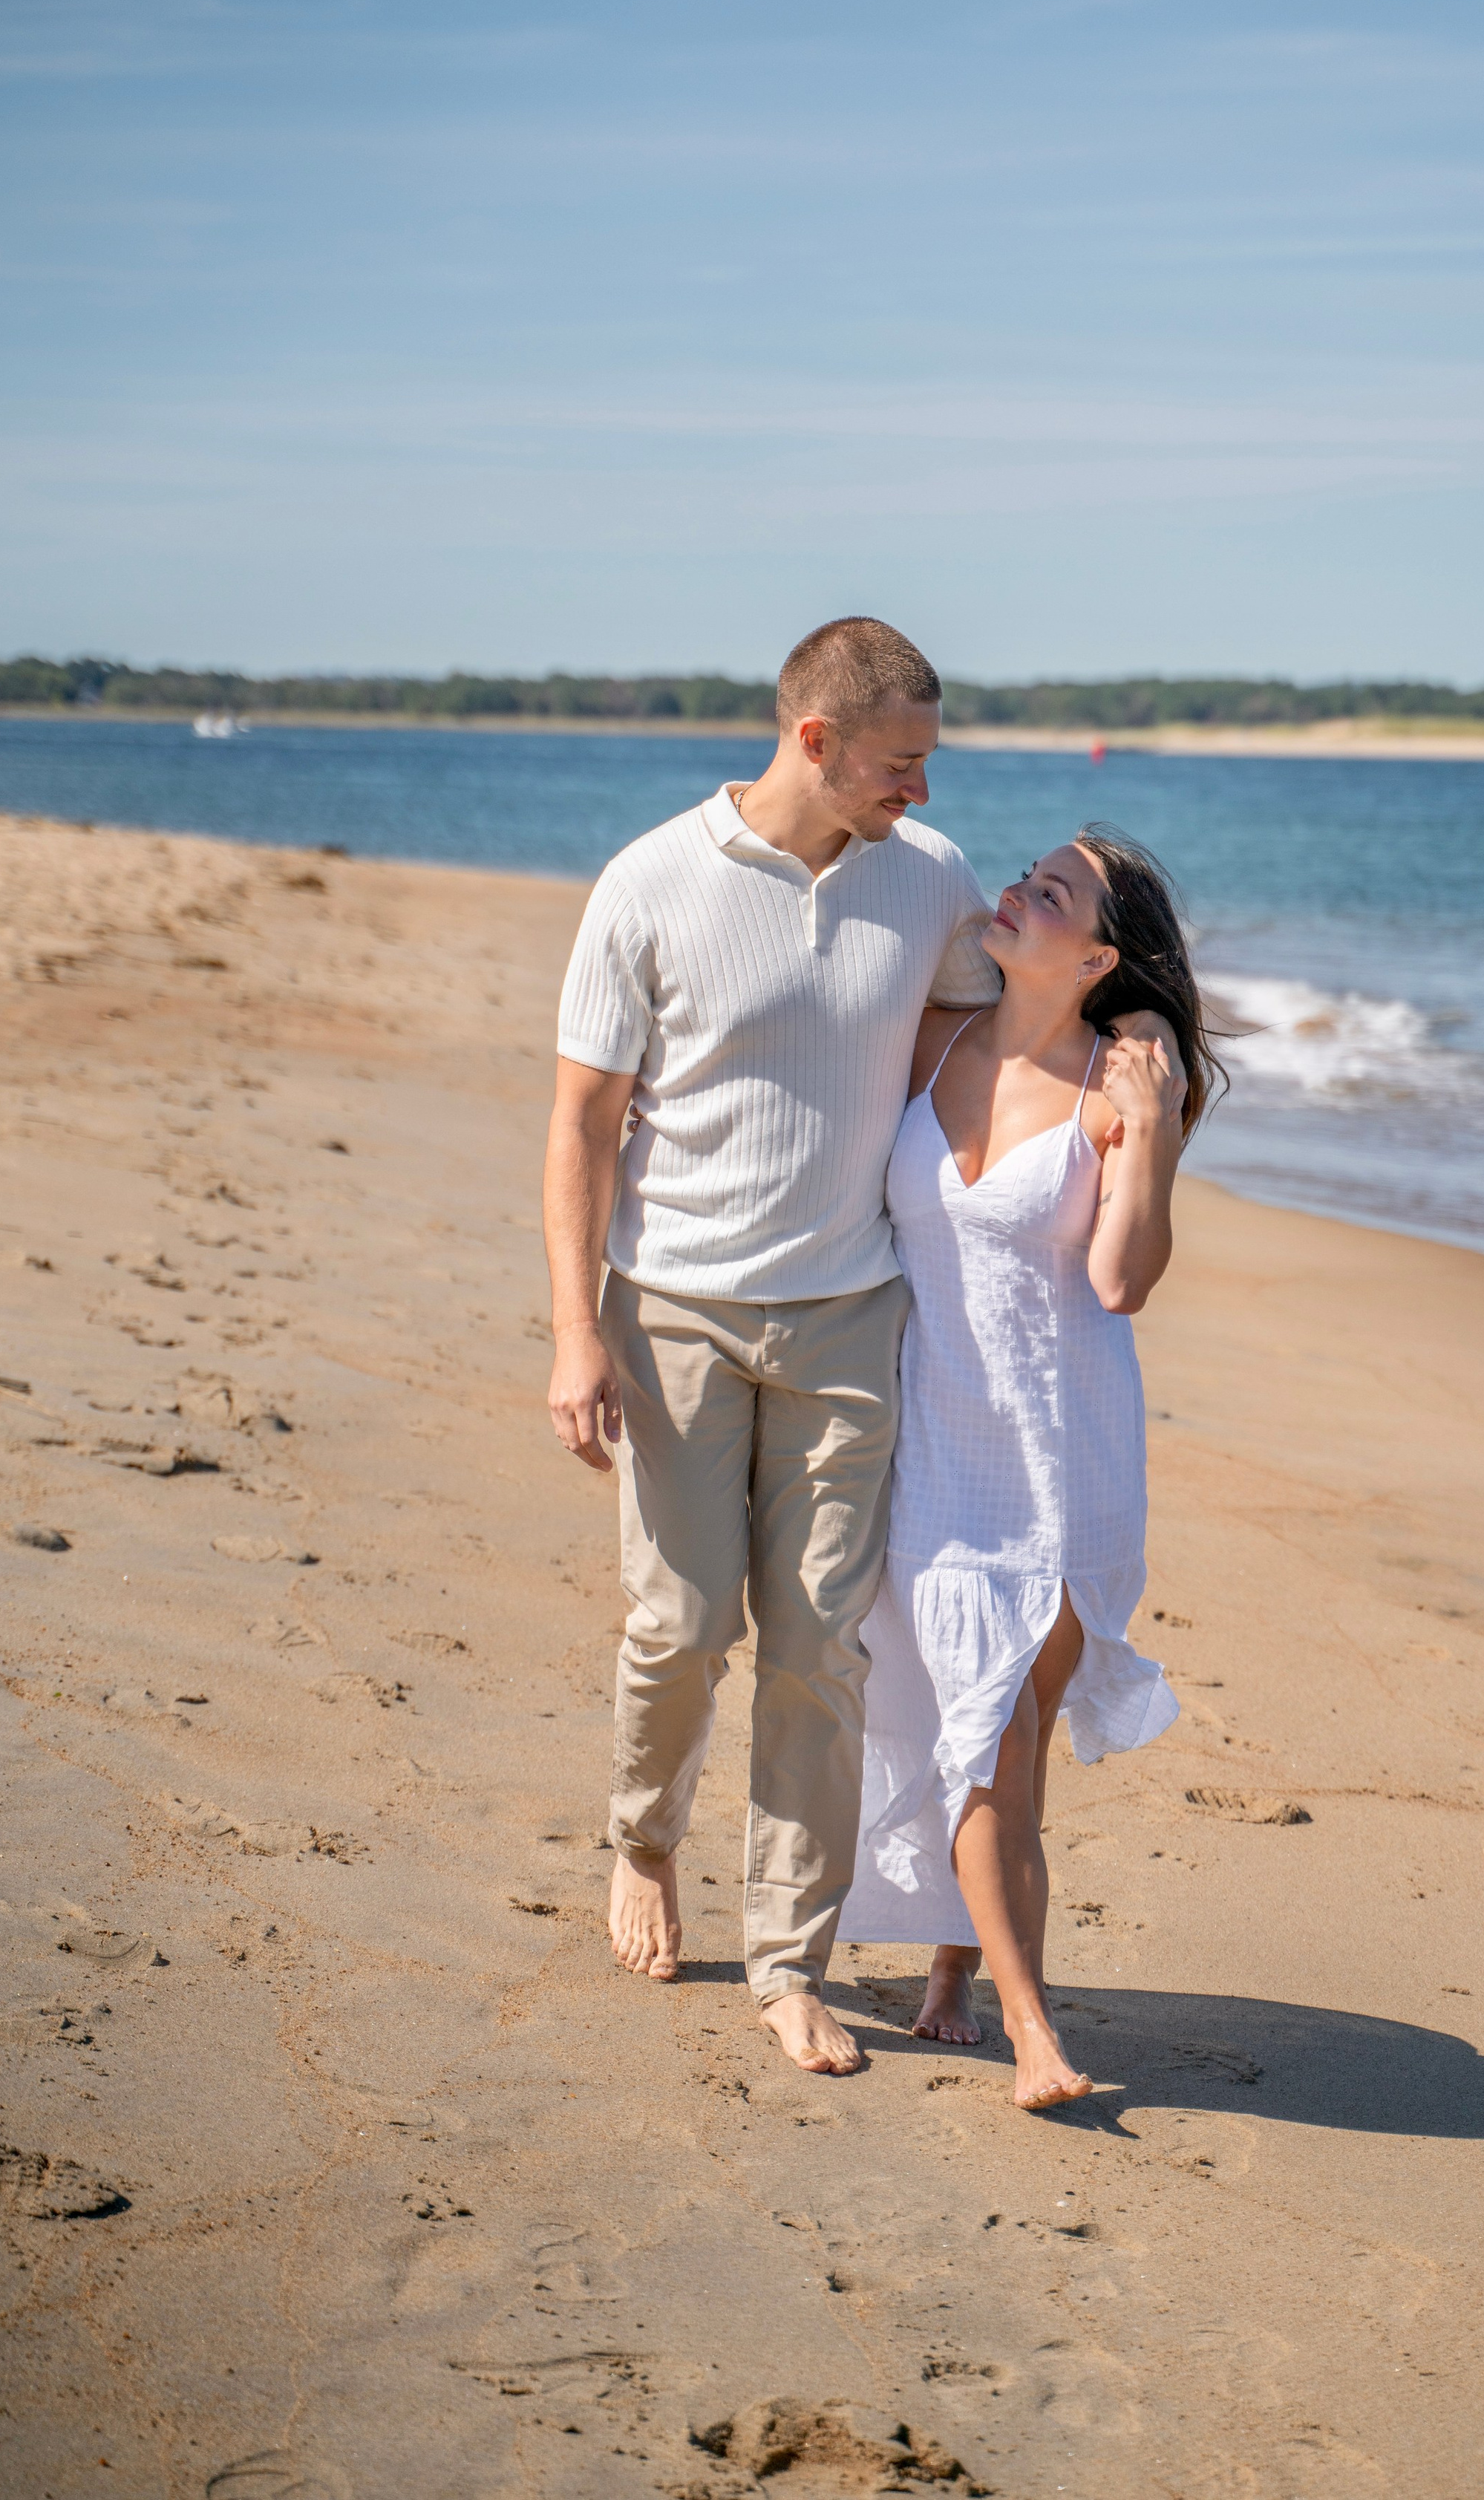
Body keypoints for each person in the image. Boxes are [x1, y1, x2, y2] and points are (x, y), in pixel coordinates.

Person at [542, 617, 1003, 2076]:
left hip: (847, 1317)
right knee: (679, 1629)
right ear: (815, 740)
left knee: (817, 1652)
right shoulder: (651, 881)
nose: (919, 791)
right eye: (898, 763)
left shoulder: (927, 882)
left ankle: (792, 1960)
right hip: (669, 1310)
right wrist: (574, 1332)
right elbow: (578, 1125)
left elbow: (992, 1038)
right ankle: (642, 1836)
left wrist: (1144, 1078)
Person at [837, 826, 1225, 2109]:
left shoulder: (1112, 1093)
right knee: (986, 1740)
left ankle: (1006, 2005)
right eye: (1024, 876)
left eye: (1048, 893)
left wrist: (1156, 1124)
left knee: (1009, 1741)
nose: (1015, 892)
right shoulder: (934, 1039)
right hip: (940, 1458)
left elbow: (1122, 1279)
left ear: (1099, 953)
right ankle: (990, 1990)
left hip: (1062, 1474)